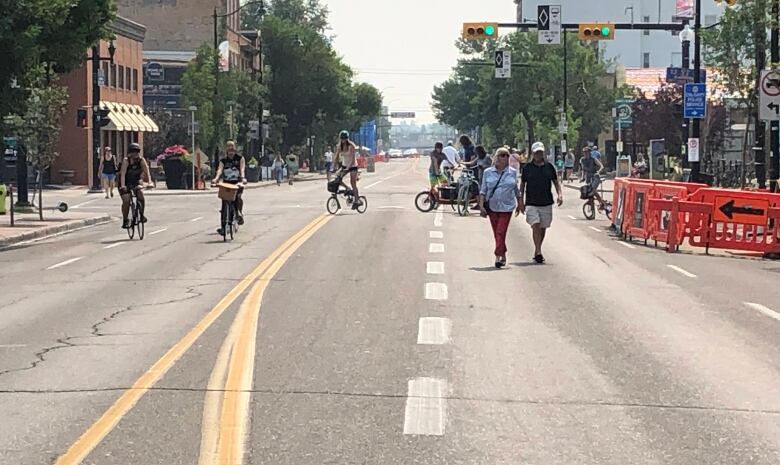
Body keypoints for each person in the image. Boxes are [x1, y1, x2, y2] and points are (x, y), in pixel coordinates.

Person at [518, 142, 563, 264]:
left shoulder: (549, 167)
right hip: (531, 202)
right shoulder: (527, 168)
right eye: (536, 152)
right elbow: (522, 185)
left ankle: (538, 249)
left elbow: (555, 182)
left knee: (543, 227)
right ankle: (538, 251)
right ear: (533, 153)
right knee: (535, 225)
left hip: (546, 202)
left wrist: (559, 194)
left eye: (540, 152)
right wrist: (520, 200)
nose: (539, 155)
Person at [479, 148, 521, 269]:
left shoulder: (512, 172)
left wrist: (520, 203)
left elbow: (515, 189)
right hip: (492, 206)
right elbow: (483, 190)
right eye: (502, 155)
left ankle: (497, 256)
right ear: (497, 157)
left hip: (507, 206)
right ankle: (502, 252)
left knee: (501, 231)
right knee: (496, 232)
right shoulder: (488, 172)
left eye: (507, 156)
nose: (505, 158)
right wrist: (481, 206)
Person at [212, 141, 247, 233]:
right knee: (224, 203)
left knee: (237, 197)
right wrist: (216, 179)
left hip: (237, 183)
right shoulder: (223, 160)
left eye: (232, 146)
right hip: (226, 184)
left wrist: (243, 178)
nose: (230, 148)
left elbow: (242, 169)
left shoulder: (240, 158)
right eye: (228, 146)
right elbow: (219, 170)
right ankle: (223, 227)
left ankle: (238, 212)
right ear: (226, 149)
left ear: (235, 147)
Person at [119, 143, 152, 229]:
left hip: (136, 181)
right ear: (129, 153)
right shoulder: (126, 161)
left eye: (137, 152)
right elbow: (123, 174)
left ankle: (141, 215)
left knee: (140, 194)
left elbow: (146, 171)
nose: (135, 154)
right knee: (126, 200)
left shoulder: (141, 160)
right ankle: (125, 219)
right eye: (133, 152)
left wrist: (149, 182)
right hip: (125, 182)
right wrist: (123, 186)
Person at [334, 130, 363, 209]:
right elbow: (336, 156)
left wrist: (349, 167)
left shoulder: (351, 146)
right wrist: (334, 166)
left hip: (353, 166)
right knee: (337, 179)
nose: (343, 140)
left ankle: (357, 200)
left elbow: (353, 158)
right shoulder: (339, 146)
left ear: (347, 138)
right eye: (342, 139)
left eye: (345, 139)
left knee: (353, 182)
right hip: (344, 165)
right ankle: (347, 188)